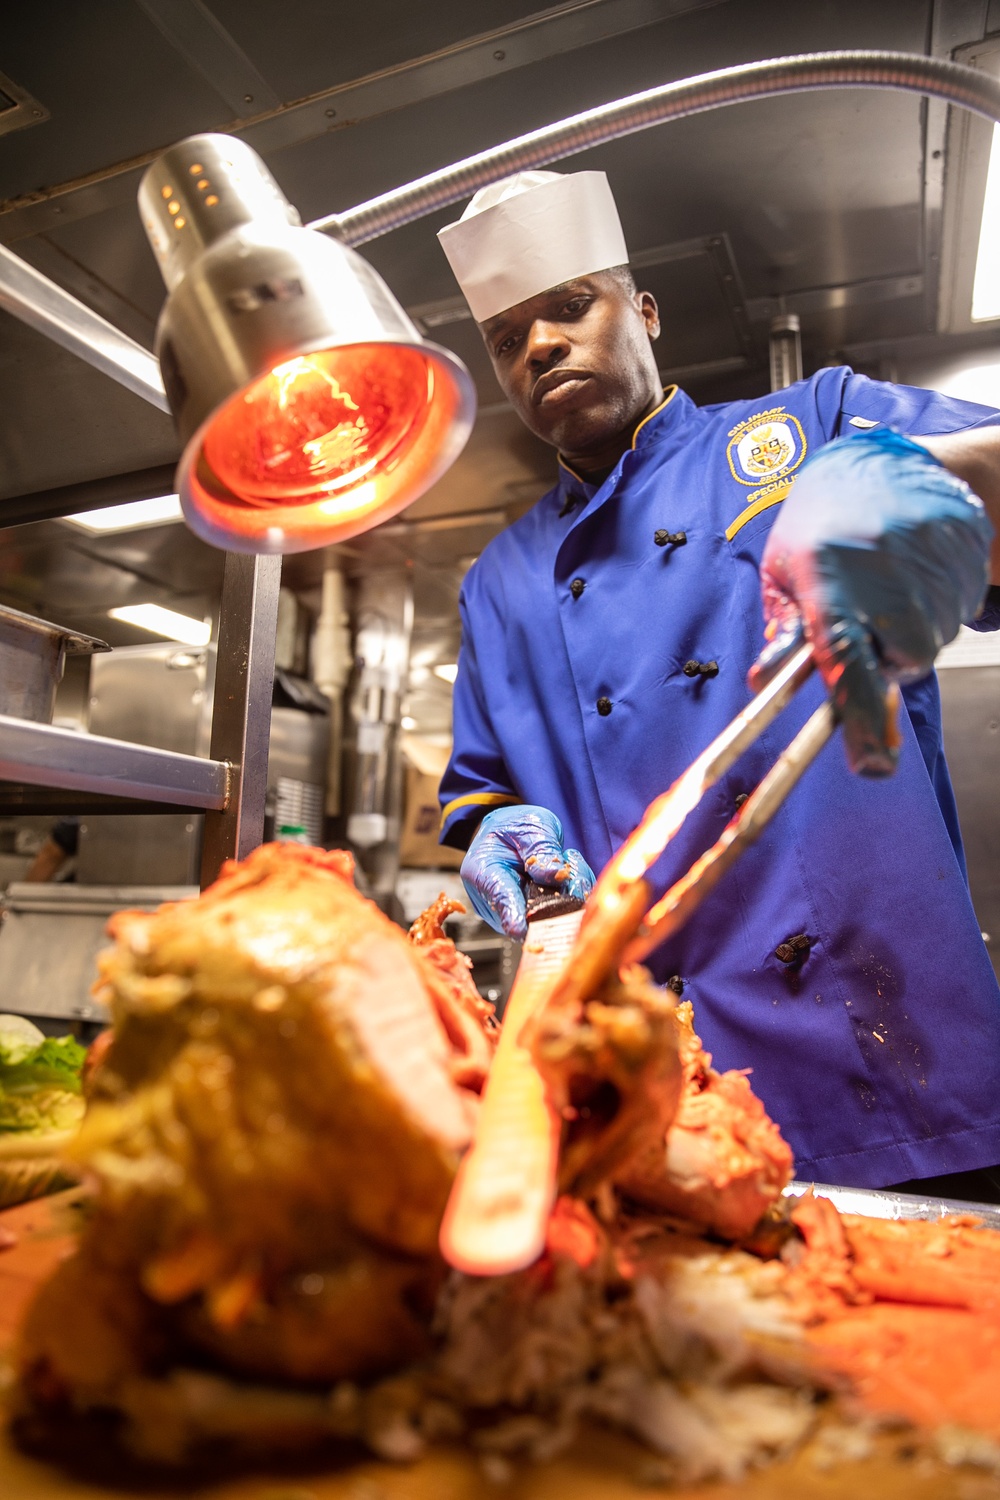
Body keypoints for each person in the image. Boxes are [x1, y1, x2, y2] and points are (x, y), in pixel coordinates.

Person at [435, 169, 1000, 1200]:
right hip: (635, 1096)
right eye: (508, 337)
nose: (542, 347)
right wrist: (496, 835)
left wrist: (929, 491)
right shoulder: (498, 581)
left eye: (570, 307)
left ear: (643, 312)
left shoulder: (810, 426)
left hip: (885, 1062)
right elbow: (479, 788)